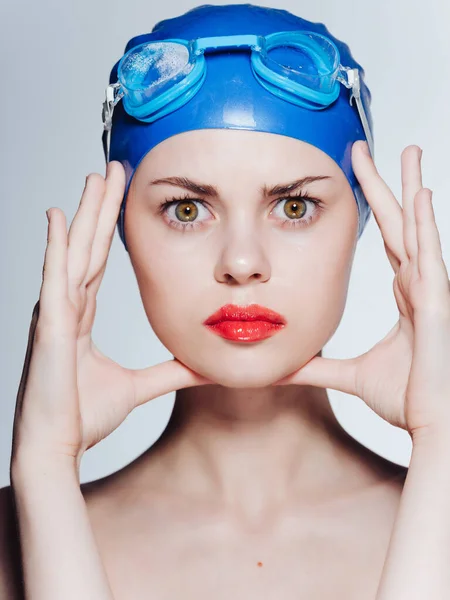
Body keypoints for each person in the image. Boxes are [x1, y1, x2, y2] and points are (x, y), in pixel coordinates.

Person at [2, 4, 450, 600]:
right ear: (121, 230)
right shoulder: (18, 530)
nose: (241, 263)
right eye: (186, 210)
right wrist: (45, 471)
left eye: (294, 207)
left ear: (361, 221)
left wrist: (444, 448)